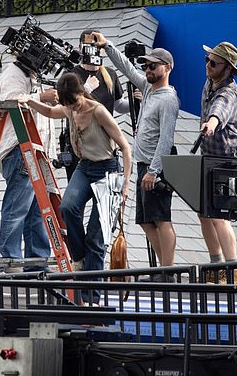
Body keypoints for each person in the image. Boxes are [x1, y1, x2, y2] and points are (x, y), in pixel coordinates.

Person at [19, 72, 132, 304]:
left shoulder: (98, 111)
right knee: (68, 207)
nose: (74, 108)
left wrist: (126, 183)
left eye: (75, 102)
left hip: (108, 170)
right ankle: (78, 257)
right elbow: (50, 112)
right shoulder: (70, 109)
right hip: (85, 167)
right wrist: (29, 100)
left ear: (82, 93)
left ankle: (92, 297)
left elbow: (125, 147)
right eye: (69, 104)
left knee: (96, 237)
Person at [92, 32, 180, 271]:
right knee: (144, 220)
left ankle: (167, 271)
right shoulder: (149, 89)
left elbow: (166, 138)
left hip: (157, 165)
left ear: (167, 68)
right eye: (147, 65)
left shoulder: (168, 99)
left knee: (162, 218)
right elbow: (128, 69)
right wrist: (107, 45)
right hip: (144, 164)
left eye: (153, 65)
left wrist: (154, 171)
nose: (148, 69)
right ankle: (165, 268)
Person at [0, 55, 58, 272]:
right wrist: (41, 96)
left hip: (36, 150)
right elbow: (9, 102)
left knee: (38, 209)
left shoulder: (32, 77)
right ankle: (11, 260)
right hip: (20, 149)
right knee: (18, 206)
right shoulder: (13, 74)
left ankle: (37, 261)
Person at [198, 42, 237, 284]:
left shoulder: (229, 91)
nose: (207, 65)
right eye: (207, 59)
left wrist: (211, 123)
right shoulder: (210, 83)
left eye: (213, 63)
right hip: (209, 158)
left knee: (219, 215)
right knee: (205, 214)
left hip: (227, 160)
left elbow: (220, 111)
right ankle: (217, 266)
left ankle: (232, 269)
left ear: (227, 68)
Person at [62, 29, 129, 177]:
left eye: (96, 45)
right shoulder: (72, 74)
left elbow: (118, 105)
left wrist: (137, 102)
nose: (92, 50)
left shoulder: (109, 74)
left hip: (103, 142)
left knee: (104, 196)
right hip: (81, 142)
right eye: (88, 46)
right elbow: (64, 104)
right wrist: (86, 89)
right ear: (80, 48)